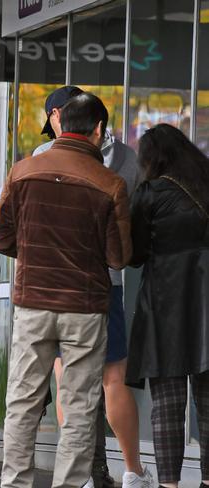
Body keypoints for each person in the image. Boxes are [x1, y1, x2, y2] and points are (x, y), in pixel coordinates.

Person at [0, 93, 132, 488]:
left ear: (59, 122)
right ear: (98, 130)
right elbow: (118, 257)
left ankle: (15, 483)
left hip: (33, 302)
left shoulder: (22, 171)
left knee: (22, 403)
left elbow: (0, 239)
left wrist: (35, 254)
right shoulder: (110, 183)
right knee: (81, 406)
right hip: (85, 308)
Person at [34, 86, 152, 488]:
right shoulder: (126, 160)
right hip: (107, 283)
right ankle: (134, 470)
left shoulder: (40, 159)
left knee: (69, 382)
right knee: (113, 380)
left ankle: (79, 473)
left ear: (60, 117)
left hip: (54, 286)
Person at [127, 124, 209, 488]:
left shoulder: (150, 193)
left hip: (165, 300)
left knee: (169, 400)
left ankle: (170, 485)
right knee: (208, 400)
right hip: (207, 300)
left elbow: (136, 252)